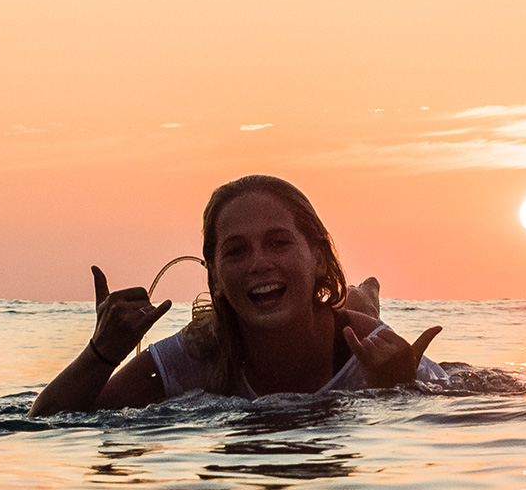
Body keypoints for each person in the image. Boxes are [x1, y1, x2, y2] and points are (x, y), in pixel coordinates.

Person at [31, 175, 443, 415]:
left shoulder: (370, 351)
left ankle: (357, 302)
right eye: (236, 251)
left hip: (346, 332)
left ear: (318, 257)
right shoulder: (195, 355)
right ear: (215, 280)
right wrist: (100, 353)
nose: (258, 263)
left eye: (279, 243)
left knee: (355, 317)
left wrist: (398, 390)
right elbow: (49, 423)